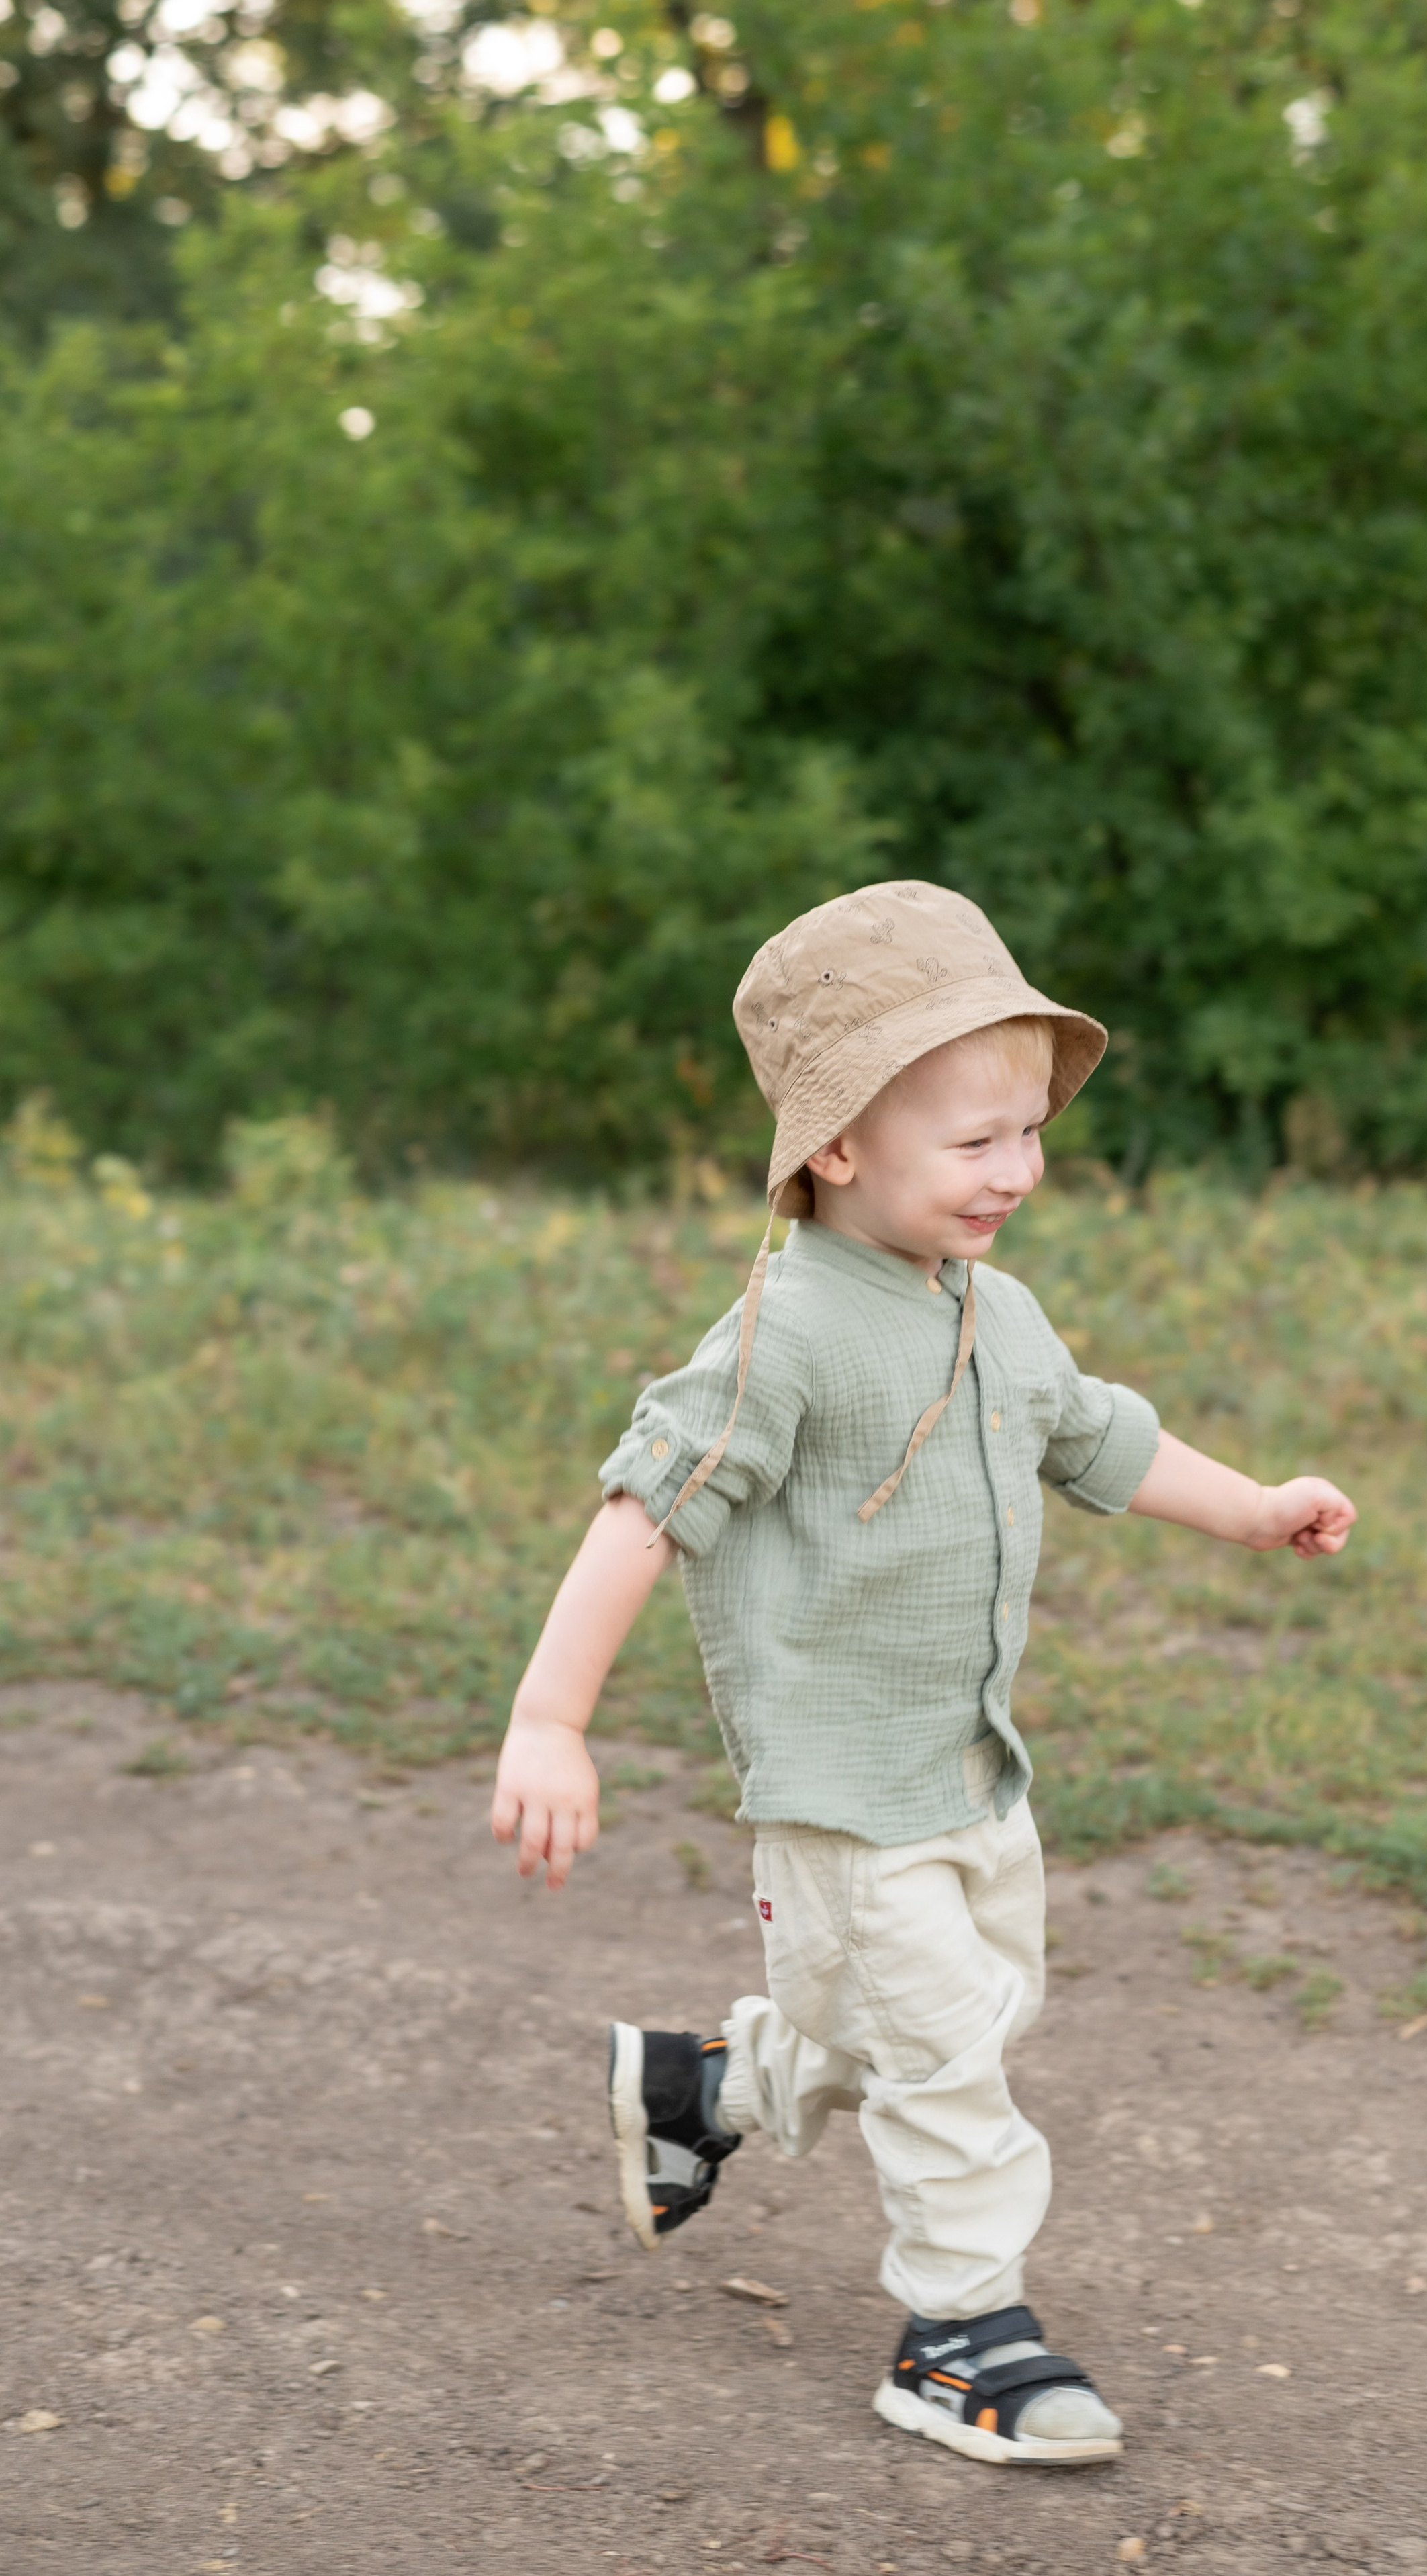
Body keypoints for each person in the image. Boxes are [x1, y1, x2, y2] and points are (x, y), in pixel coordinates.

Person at [491, 880, 1356, 2469]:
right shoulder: (785, 1331)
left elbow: (1096, 1436)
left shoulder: (996, 1311)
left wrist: (1250, 1508)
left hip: (966, 1769)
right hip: (840, 1791)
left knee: (933, 2012)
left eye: (1027, 1131)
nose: (1016, 1169)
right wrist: (550, 1719)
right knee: (947, 2052)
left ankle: (704, 2092)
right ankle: (961, 2334)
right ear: (838, 1148)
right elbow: (645, 1511)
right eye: (974, 1141)